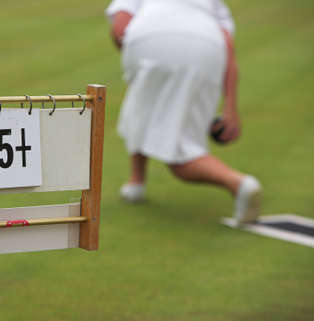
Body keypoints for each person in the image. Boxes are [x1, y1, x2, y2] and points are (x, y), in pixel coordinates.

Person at [106, 0, 262, 223]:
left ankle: (238, 184)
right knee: (141, 106)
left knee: (178, 153)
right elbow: (227, 44)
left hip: (147, 38)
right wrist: (230, 107)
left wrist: (135, 56)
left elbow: (120, 25)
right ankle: (136, 182)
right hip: (207, 47)